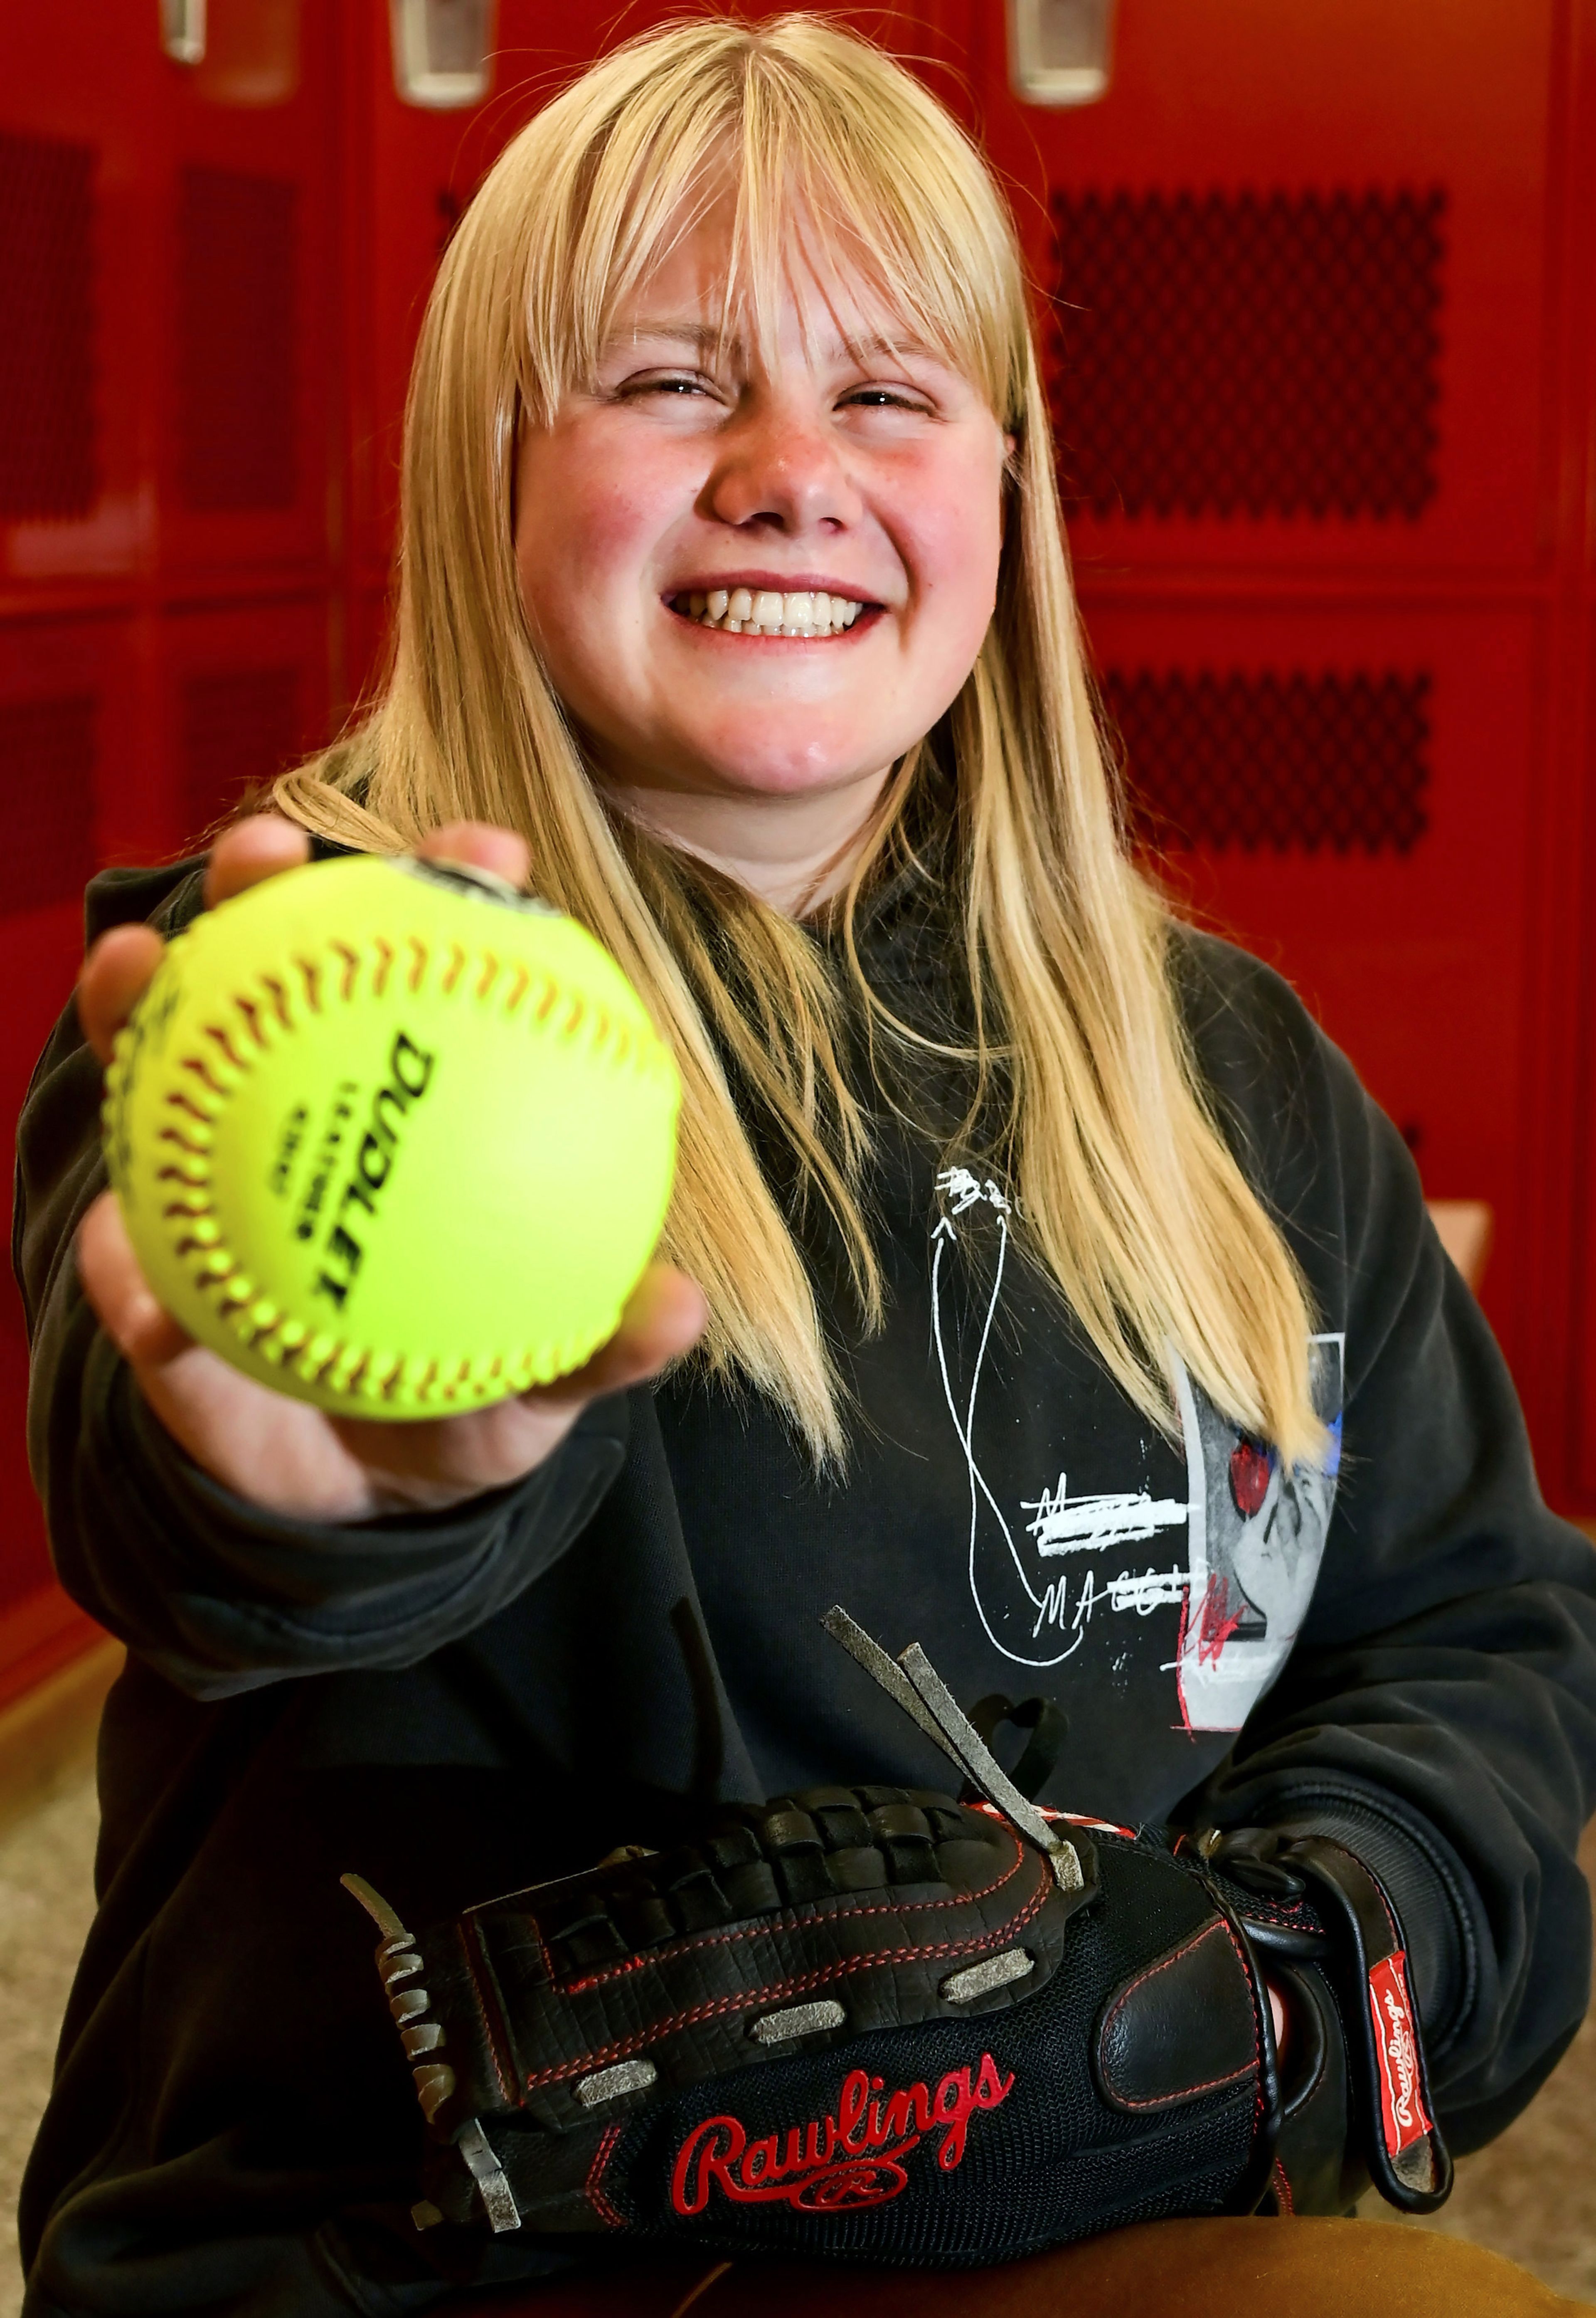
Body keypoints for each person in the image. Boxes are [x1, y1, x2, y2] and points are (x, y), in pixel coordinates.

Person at [14, 15, 1596, 2316]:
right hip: (393, 2262)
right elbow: (182, 1495)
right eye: (670, 381)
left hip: (1085, 2224)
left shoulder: (1221, 1068)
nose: (787, 468)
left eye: (886, 394)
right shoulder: (272, 996)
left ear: (1004, 492)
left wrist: (1290, 1958)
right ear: (496, 463)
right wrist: (340, 1493)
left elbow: (1476, 1623)